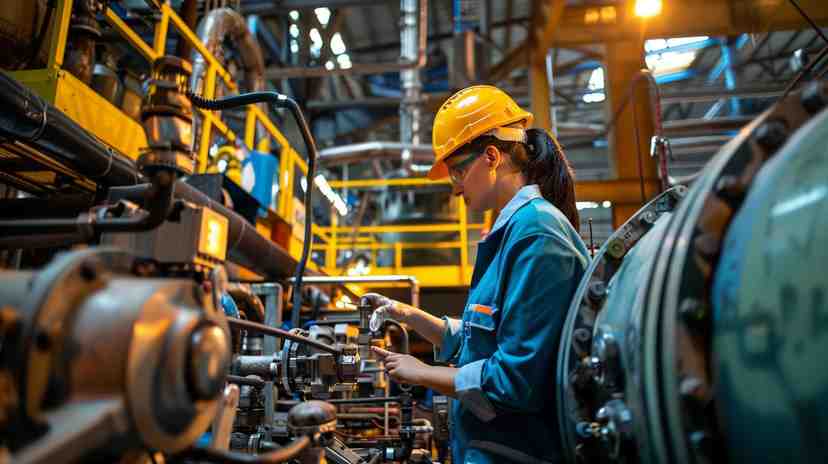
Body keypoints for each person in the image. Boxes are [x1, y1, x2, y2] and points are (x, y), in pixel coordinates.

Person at [364, 85, 590, 463]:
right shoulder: (513, 230)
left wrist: (423, 373)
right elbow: (483, 338)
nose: (454, 189)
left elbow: (516, 380)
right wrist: (410, 316)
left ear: (490, 156)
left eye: (457, 172)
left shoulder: (537, 234)